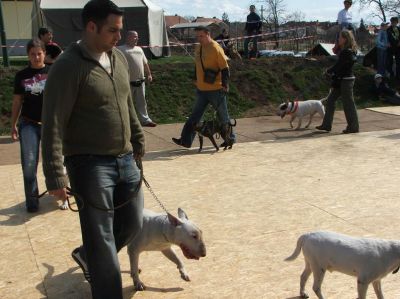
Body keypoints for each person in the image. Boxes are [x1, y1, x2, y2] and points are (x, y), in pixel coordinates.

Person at [41, 1, 145, 298]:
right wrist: (55, 177)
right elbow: (53, 123)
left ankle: (89, 256)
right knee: (102, 240)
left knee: (133, 224)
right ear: (91, 27)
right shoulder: (68, 66)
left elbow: (128, 104)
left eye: (120, 30)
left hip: (126, 159)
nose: (118, 36)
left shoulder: (119, 58)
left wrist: (137, 139)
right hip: (89, 165)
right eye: (112, 30)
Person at [172, 26, 235, 148]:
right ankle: (185, 141)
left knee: (223, 116)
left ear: (208, 34)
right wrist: (195, 78)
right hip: (201, 89)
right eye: (197, 36)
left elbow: (225, 68)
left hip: (216, 89)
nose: (198, 38)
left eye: (201, 36)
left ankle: (230, 139)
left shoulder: (216, 48)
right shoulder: (198, 47)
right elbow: (197, 65)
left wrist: (225, 85)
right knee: (195, 116)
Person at [10, 38, 49, 213]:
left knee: (56, 162)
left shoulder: (53, 72)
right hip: (29, 124)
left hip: (50, 124)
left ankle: (62, 192)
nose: (36, 57)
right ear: (28, 55)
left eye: (39, 53)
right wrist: (13, 125)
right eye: (32, 54)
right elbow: (17, 101)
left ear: (44, 54)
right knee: (29, 165)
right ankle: (32, 201)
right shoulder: (22, 76)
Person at [316, 29, 359, 134]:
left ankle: (353, 127)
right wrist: (331, 73)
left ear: (345, 39)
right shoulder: (347, 51)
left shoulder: (346, 52)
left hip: (346, 80)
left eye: (340, 37)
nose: (338, 39)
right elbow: (340, 66)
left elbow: (339, 66)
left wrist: (328, 71)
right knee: (330, 101)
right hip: (341, 80)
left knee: (348, 104)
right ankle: (326, 125)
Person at [118, 30, 157, 127]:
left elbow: (145, 63)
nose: (137, 39)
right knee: (126, 103)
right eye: (135, 36)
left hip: (140, 81)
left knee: (142, 102)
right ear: (128, 37)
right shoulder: (120, 49)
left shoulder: (139, 49)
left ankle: (145, 120)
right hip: (127, 82)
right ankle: (127, 122)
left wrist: (149, 74)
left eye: (137, 37)